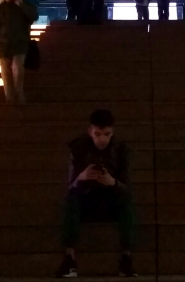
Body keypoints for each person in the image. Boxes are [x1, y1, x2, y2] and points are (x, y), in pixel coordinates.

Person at [56, 109, 136, 278]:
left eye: (106, 134)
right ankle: (69, 259)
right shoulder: (78, 148)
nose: (102, 139)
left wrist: (112, 183)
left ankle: (126, 258)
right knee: (71, 200)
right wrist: (81, 178)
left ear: (112, 133)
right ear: (90, 132)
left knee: (127, 201)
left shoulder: (120, 150)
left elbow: (127, 187)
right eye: (97, 134)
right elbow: (70, 187)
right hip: (86, 198)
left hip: (111, 200)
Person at [0, 0, 38, 105]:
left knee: (17, 67)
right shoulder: (1, 7)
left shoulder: (24, 3)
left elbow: (34, 16)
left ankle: (19, 94)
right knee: (5, 70)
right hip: (4, 43)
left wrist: (21, 5)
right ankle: (9, 97)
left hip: (20, 41)